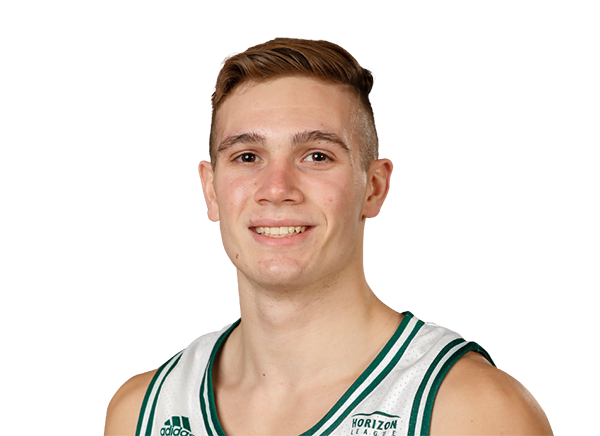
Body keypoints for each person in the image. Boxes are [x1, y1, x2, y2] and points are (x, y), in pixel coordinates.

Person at [105, 38, 552, 436]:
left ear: (373, 188)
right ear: (210, 190)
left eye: (316, 156)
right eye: (247, 156)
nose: (277, 188)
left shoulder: (471, 411)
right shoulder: (141, 414)